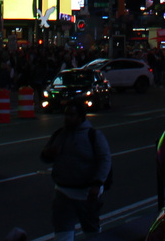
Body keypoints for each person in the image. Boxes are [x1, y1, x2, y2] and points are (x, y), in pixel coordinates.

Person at [41, 100, 111, 241]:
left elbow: (105, 160)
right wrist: (49, 154)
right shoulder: (60, 134)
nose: (67, 118)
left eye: (72, 115)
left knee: (91, 232)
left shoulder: (93, 135)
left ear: (81, 117)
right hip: (63, 191)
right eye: (66, 114)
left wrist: (97, 184)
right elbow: (44, 157)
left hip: (86, 194)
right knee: (62, 232)